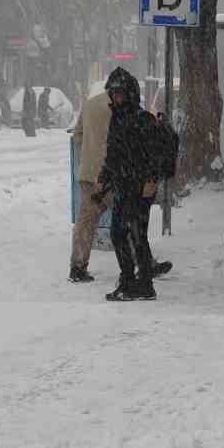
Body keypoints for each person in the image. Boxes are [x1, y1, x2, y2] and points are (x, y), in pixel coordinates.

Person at [70, 76, 171, 285]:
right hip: (115, 174)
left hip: (90, 173)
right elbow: (123, 143)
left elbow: (77, 135)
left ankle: (78, 266)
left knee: (87, 222)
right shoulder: (121, 110)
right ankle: (143, 265)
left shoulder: (89, 105)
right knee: (129, 222)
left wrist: (87, 157)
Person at [94, 68, 166, 302]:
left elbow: (156, 155)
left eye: (120, 94)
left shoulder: (143, 119)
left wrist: (151, 180)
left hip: (140, 188)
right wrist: (104, 178)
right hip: (123, 186)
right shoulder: (117, 119)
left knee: (136, 235)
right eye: (113, 94)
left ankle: (143, 283)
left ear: (130, 94)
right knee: (119, 234)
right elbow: (113, 155)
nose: (116, 98)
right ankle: (128, 280)